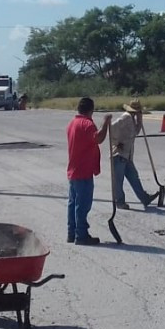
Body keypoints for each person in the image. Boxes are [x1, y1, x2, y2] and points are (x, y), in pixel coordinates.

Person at [66, 97, 111, 245]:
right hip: (83, 170)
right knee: (82, 205)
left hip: (73, 169)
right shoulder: (87, 124)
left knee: (73, 203)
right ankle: (81, 235)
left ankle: (72, 233)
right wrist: (106, 123)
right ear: (91, 110)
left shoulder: (72, 123)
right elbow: (99, 138)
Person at [110, 99, 162, 210]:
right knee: (118, 182)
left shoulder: (132, 119)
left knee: (134, 178)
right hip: (119, 155)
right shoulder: (126, 117)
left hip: (127, 156)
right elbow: (112, 128)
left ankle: (144, 198)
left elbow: (136, 132)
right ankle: (120, 202)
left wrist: (140, 119)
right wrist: (116, 142)